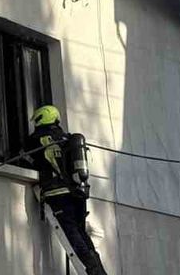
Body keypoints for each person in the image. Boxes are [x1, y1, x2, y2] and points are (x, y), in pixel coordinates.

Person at [24, 105, 108, 275]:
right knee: (82, 233)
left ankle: (91, 270)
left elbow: (25, 158)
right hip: (78, 193)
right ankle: (98, 270)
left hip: (58, 194)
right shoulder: (68, 139)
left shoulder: (39, 139)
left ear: (41, 119)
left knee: (72, 234)